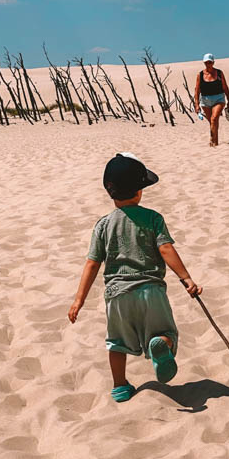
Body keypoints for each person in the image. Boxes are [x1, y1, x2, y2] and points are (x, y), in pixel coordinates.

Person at [68, 153, 201, 403]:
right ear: (139, 191)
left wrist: (79, 299)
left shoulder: (103, 225)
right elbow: (165, 249)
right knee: (166, 332)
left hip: (117, 296)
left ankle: (119, 386)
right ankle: (160, 343)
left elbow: (92, 263)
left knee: (116, 343)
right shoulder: (153, 218)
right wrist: (187, 279)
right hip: (151, 290)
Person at [194, 53, 229, 147]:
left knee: (214, 119)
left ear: (213, 62)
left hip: (219, 98)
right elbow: (197, 90)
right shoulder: (200, 74)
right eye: (206, 62)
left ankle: (212, 139)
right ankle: (216, 142)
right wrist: (197, 104)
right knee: (212, 121)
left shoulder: (219, 73)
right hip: (205, 100)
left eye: (210, 62)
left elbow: (225, 87)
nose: (208, 64)